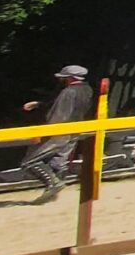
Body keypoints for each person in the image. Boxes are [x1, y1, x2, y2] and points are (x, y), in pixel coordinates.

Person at [16, 65, 94, 201]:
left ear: (69, 78)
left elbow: (60, 113)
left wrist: (48, 132)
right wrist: (39, 104)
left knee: (30, 162)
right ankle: (53, 194)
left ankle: (53, 185)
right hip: (75, 130)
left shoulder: (68, 92)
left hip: (59, 132)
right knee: (58, 163)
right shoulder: (87, 90)